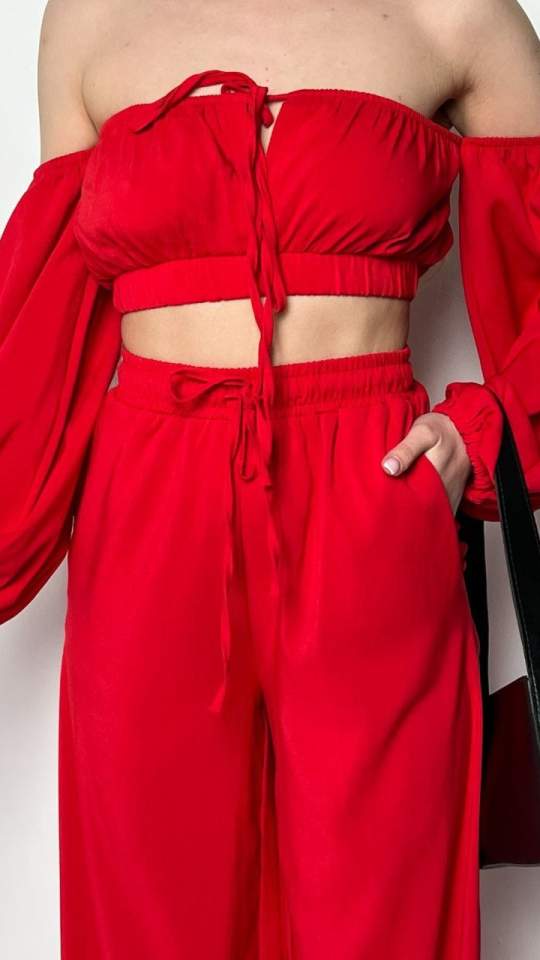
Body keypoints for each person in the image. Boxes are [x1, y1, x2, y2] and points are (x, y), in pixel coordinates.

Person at [1, 0, 539, 956]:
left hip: (371, 489)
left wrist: (478, 431)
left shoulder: (457, 16)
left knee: (381, 912)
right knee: (149, 917)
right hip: (148, 501)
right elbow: (44, 331)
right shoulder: (88, 19)